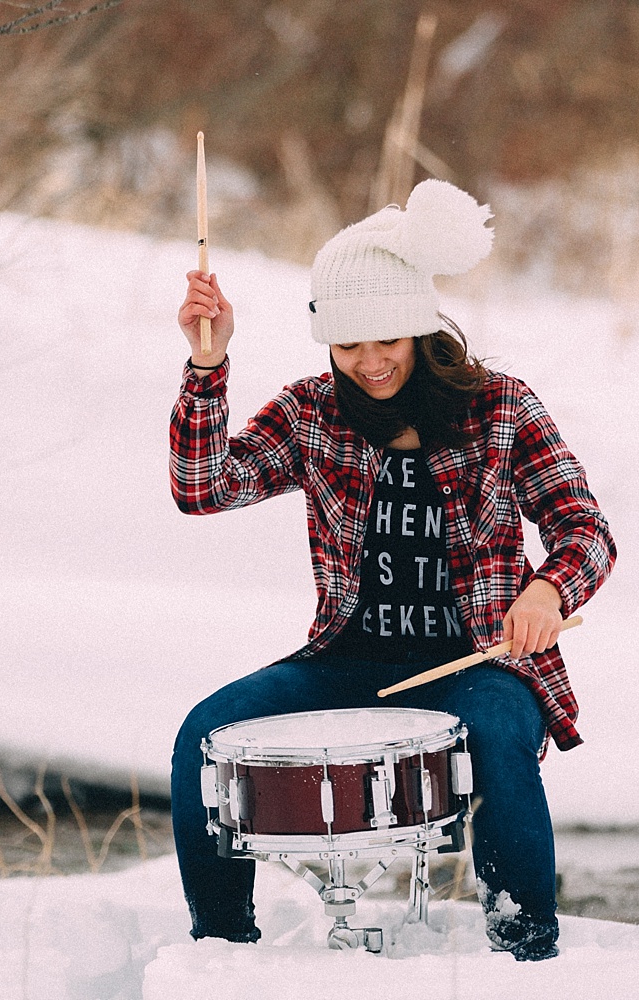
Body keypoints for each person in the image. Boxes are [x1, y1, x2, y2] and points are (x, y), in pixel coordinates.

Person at [169, 178, 615, 961]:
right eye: (348, 346)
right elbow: (204, 489)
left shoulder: (501, 407)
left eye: (387, 341)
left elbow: (585, 527)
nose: (370, 362)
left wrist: (550, 588)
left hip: (478, 663)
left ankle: (525, 944)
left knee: (497, 741)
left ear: (420, 329)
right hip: (347, 660)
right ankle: (220, 946)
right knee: (204, 735)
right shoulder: (313, 412)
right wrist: (208, 366)